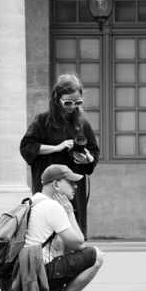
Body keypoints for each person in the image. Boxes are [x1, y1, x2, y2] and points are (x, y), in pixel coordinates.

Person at [20, 74, 100, 237]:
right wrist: (56, 148)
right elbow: (27, 147)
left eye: (77, 102)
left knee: (73, 223)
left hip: (74, 186)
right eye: (68, 102)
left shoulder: (82, 123)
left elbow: (93, 151)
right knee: (48, 226)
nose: (72, 107)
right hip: (50, 184)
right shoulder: (42, 121)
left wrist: (87, 158)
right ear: (57, 99)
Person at [23, 164, 105, 291]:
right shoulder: (53, 207)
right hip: (39, 274)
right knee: (96, 256)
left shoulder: (31, 201)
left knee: (63, 246)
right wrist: (69, 211)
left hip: (23, 275)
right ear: (56, 184)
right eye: (71, 182)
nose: (76, 186)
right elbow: (79, 242)